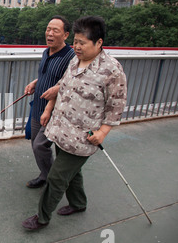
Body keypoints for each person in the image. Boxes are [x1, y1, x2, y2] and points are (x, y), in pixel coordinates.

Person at [22, 16, 127, 231]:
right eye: (76, 42)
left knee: (57, 177)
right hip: (61, 129)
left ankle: (42, 217)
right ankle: (79, 203)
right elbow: (63, 84)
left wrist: (104, 132)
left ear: (98, 42)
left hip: (82, 137)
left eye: (82, 43)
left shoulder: (112, 70)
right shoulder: (75, 60)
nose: (77, 47)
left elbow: (116, 106)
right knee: (73, 173)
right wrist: (48, 106)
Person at [24, 16, 75, 188]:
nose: (50, 33)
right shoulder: (47, 52)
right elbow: (46, 75)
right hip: (38, 107)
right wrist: (35, 83)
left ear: (66, 35)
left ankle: (54, 180)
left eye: (55, 30)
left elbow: (68, 84)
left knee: (40, 145)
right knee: (35, 144)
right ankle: (45, 175)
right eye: (48, 29)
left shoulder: (71, 57)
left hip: (53, 112)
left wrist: (48, 109)